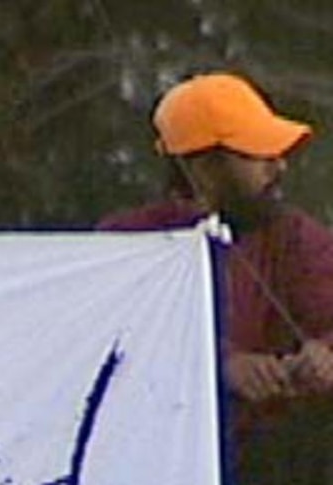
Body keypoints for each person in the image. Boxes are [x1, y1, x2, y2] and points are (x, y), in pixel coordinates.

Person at [98, 72, 333, 484]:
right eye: (258, 155)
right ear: (203, 166)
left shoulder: (297, 236)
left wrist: (324, 356)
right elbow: (108, 356)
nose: (278, 166)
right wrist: (220, 366)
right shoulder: (125, 245)